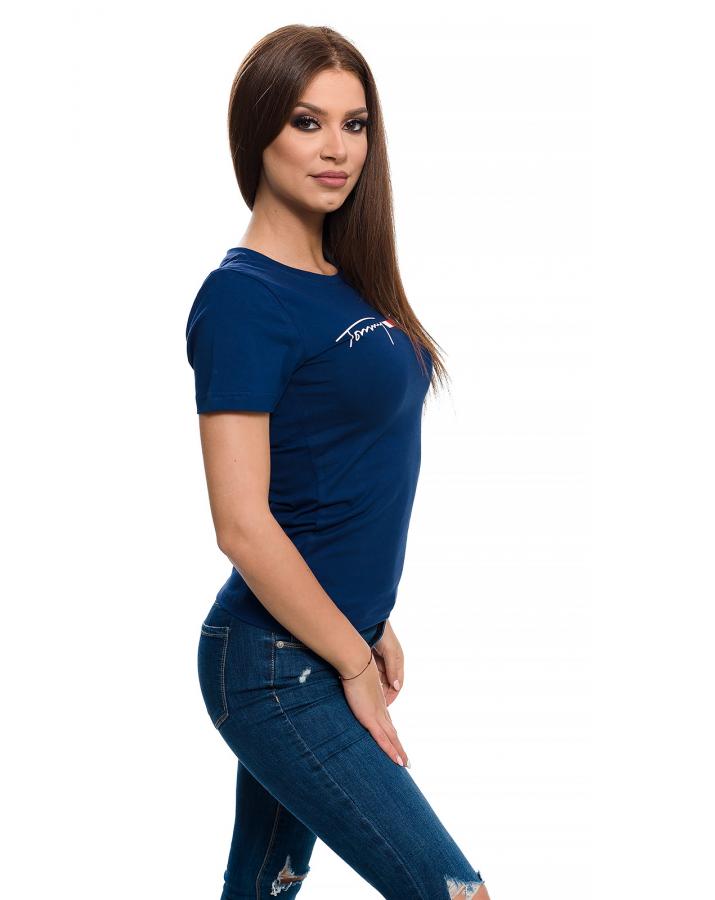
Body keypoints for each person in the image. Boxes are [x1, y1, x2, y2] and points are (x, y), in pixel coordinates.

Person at [185, 25, 490, 900]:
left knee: (263, 887)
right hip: (274, 666)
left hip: (323, 636)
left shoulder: (345, 280)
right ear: (258, 132)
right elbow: (242, 525)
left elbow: (342, 466)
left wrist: (366, 620)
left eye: (354, 124)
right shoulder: (242, 298)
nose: (337, 148)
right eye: (307, 122)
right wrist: (350, 661)